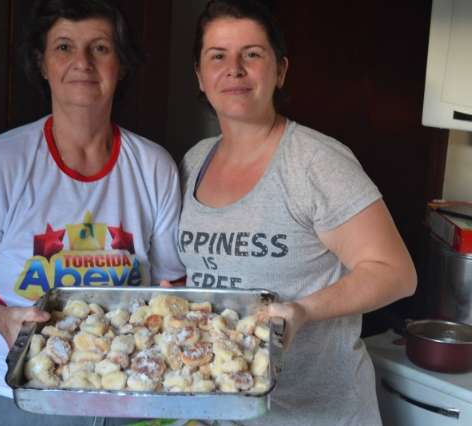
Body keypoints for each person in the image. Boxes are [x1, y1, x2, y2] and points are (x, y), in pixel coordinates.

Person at [0, 1, 184, 425]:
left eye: (100, 48)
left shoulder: (154, 166)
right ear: (42, 64)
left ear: (122, 65)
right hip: (4, 391)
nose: (82, 63)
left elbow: (171, 285)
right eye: (63, 47)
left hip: (122, 392)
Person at [176, 0, 417, 424]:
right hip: (224, 408)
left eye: (252, 54)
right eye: (218, 56)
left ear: (280, 70)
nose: (234, 69)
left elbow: (396, 273)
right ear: (200, 74)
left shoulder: (315, 162)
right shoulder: (193, 162)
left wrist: (304, 310)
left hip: (319, 414)